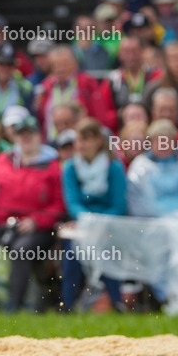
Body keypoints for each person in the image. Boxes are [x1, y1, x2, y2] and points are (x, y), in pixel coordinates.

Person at [0, 116, 65, 312]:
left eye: (30, 133)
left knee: (21, 250)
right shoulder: (3, 159)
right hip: (0, 219)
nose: (26, 138)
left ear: (39, 136)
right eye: (21, 134)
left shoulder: (53, 166)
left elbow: (59, 205)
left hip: (36, 225)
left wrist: (36, 221)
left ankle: (13, 305)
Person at [59, 118, 127, 312]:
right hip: (81, 223)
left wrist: (98, 222)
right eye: (78, 140)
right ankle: (68, 304)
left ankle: (116, 301)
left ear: (98, 140)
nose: (81, 145)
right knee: (72, 251)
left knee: (108, 251)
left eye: (85, 140)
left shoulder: (114, 167)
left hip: (108, 224)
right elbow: (72, 202)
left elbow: (119, 205)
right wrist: (86, 220)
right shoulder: (70, 168)